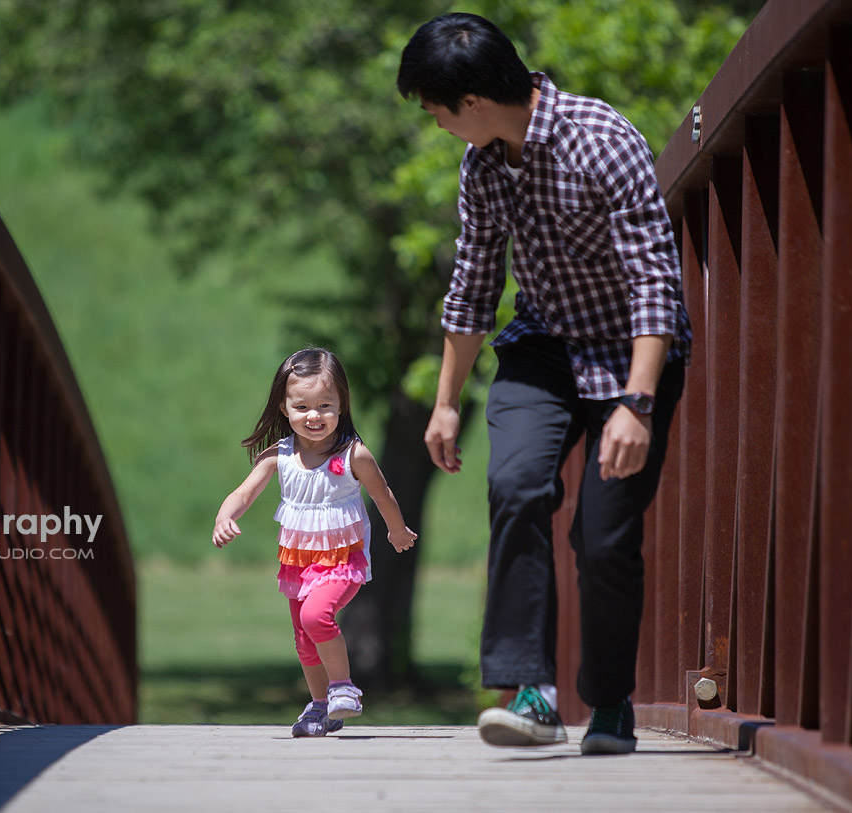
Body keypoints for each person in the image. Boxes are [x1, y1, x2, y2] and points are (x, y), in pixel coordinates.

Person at [397, 13, 690, 755]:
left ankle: (611, 702)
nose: (433, 123)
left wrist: (637, 400)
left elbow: (656, 277)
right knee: (519, 485)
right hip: (544, 348)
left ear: (469, 102)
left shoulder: (603, 139)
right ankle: (530, 691)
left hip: (633, 354)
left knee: (604, 538)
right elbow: (472, 286)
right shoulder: (484, 166)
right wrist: (444, 402)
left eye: (432, 109)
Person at [213, 347, 418, 737]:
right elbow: (243, 494)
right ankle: (321, 706)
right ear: (284, 407)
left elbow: (382, 493)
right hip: (298, 563)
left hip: (343, 561)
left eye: (326, 405)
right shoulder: (279, 456)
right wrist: (226, 516)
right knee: (304, 640)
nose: (314, 415)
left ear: (342, 405)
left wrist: (396, 530)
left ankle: (344, 688)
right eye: (302, 406)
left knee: (315, 617)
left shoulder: (352, 454)